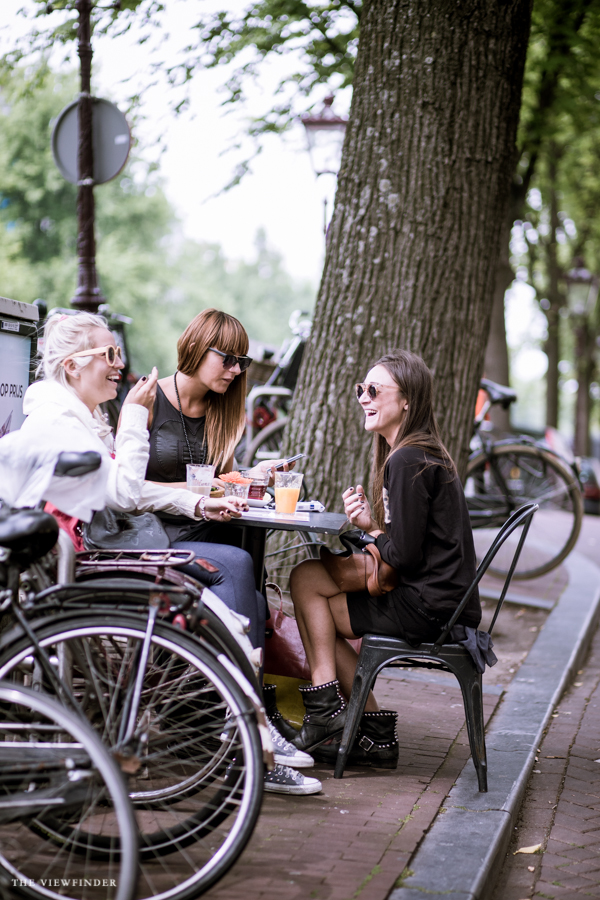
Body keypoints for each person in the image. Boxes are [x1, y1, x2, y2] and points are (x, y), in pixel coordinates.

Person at [289, 350, 482, 768]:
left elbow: (405, 556)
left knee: (308, 588)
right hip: (438, 599)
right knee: (307, 578)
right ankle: (367, 728)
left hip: (429, 607)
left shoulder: (408, 459)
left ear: (407, 400)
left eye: (374, 389)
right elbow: (409, 544)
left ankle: (331, 715)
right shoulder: (416, 453)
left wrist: (370, 531)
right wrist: (368, 523)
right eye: (361, 388)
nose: (363, 396)